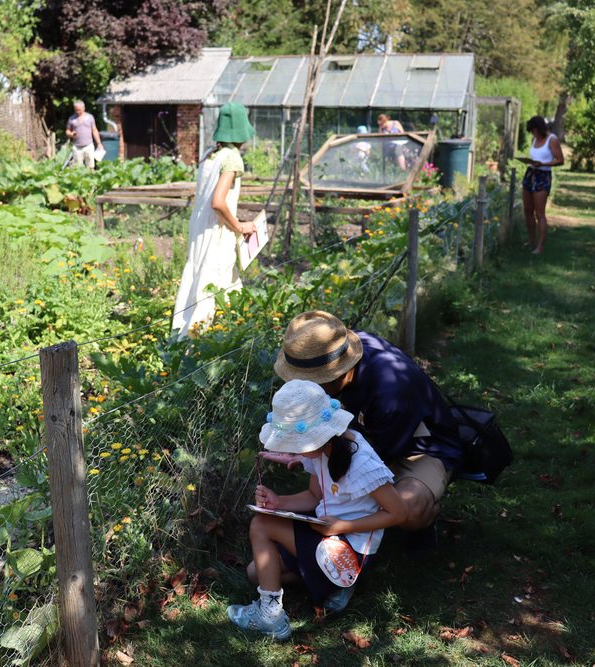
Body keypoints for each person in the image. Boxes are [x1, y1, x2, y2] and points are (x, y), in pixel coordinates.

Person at [227, 380, 407, 639]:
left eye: (296, 442)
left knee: (261, 524)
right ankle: (335, 587)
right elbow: (314, 496)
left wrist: (342, 526)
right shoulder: (323, 450)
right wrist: (279, 502)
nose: (294, 449)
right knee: (256, 572)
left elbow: (399, 513)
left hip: (347, 549)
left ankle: (271, 617)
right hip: (326, 531)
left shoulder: (361, 464)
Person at [266, 311, 463, 547]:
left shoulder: (390, 394)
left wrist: (315, 456)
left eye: (312, 380)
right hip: (373, 439)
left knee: (407, 508)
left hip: (420, 448)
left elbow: (368, 461)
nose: (306, 386)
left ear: (336, 374)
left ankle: (426, 518)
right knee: (343, 490)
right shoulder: (336, 346)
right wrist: (304, 449)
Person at [171, 102, 257, 339]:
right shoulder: (232, 159)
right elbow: (218, 202)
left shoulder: (211, 154)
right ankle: (196, 344)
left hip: (201, 228)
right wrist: (239, 226)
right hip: (217, 233)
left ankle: (184, 338)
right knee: (210, 287)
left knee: (202, 280)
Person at [521, 116, 564, 255]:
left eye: (534, 131)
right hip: (530, 174)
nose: (533, 134)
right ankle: (531, 240)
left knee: (539, 213)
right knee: (528, 210)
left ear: (539, 128)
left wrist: (543, 164)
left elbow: (560, 160)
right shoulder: (534, 139)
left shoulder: (552, 139)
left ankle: (540, 246)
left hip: (543, 176)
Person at [66, 101, 104, 170]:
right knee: (77, 167)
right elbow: (67, 131)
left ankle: (90, 176)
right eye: (76, 110)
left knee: (90, 167)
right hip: (77, 147)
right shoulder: (71, 118)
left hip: (88, 145)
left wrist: (99, 143)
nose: (77, 112)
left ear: (84, 108)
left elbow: (94, 130)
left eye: (79, 110)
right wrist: (70, 134)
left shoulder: (90, 117)